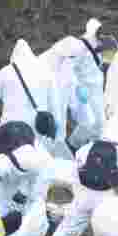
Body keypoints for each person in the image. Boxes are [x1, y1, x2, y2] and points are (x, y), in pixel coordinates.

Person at [38, 18, 105, 150]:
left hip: (63, 88)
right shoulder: (73, 49)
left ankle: (65, 147)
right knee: (55, 127)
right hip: (49, 89)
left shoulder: (81, 53)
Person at [0, 39, 58, 142]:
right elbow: (54, 101)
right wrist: (56, 122)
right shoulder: (46, 72)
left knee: (8, 154)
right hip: (36, 126)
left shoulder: (5, 72)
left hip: (10, 124)